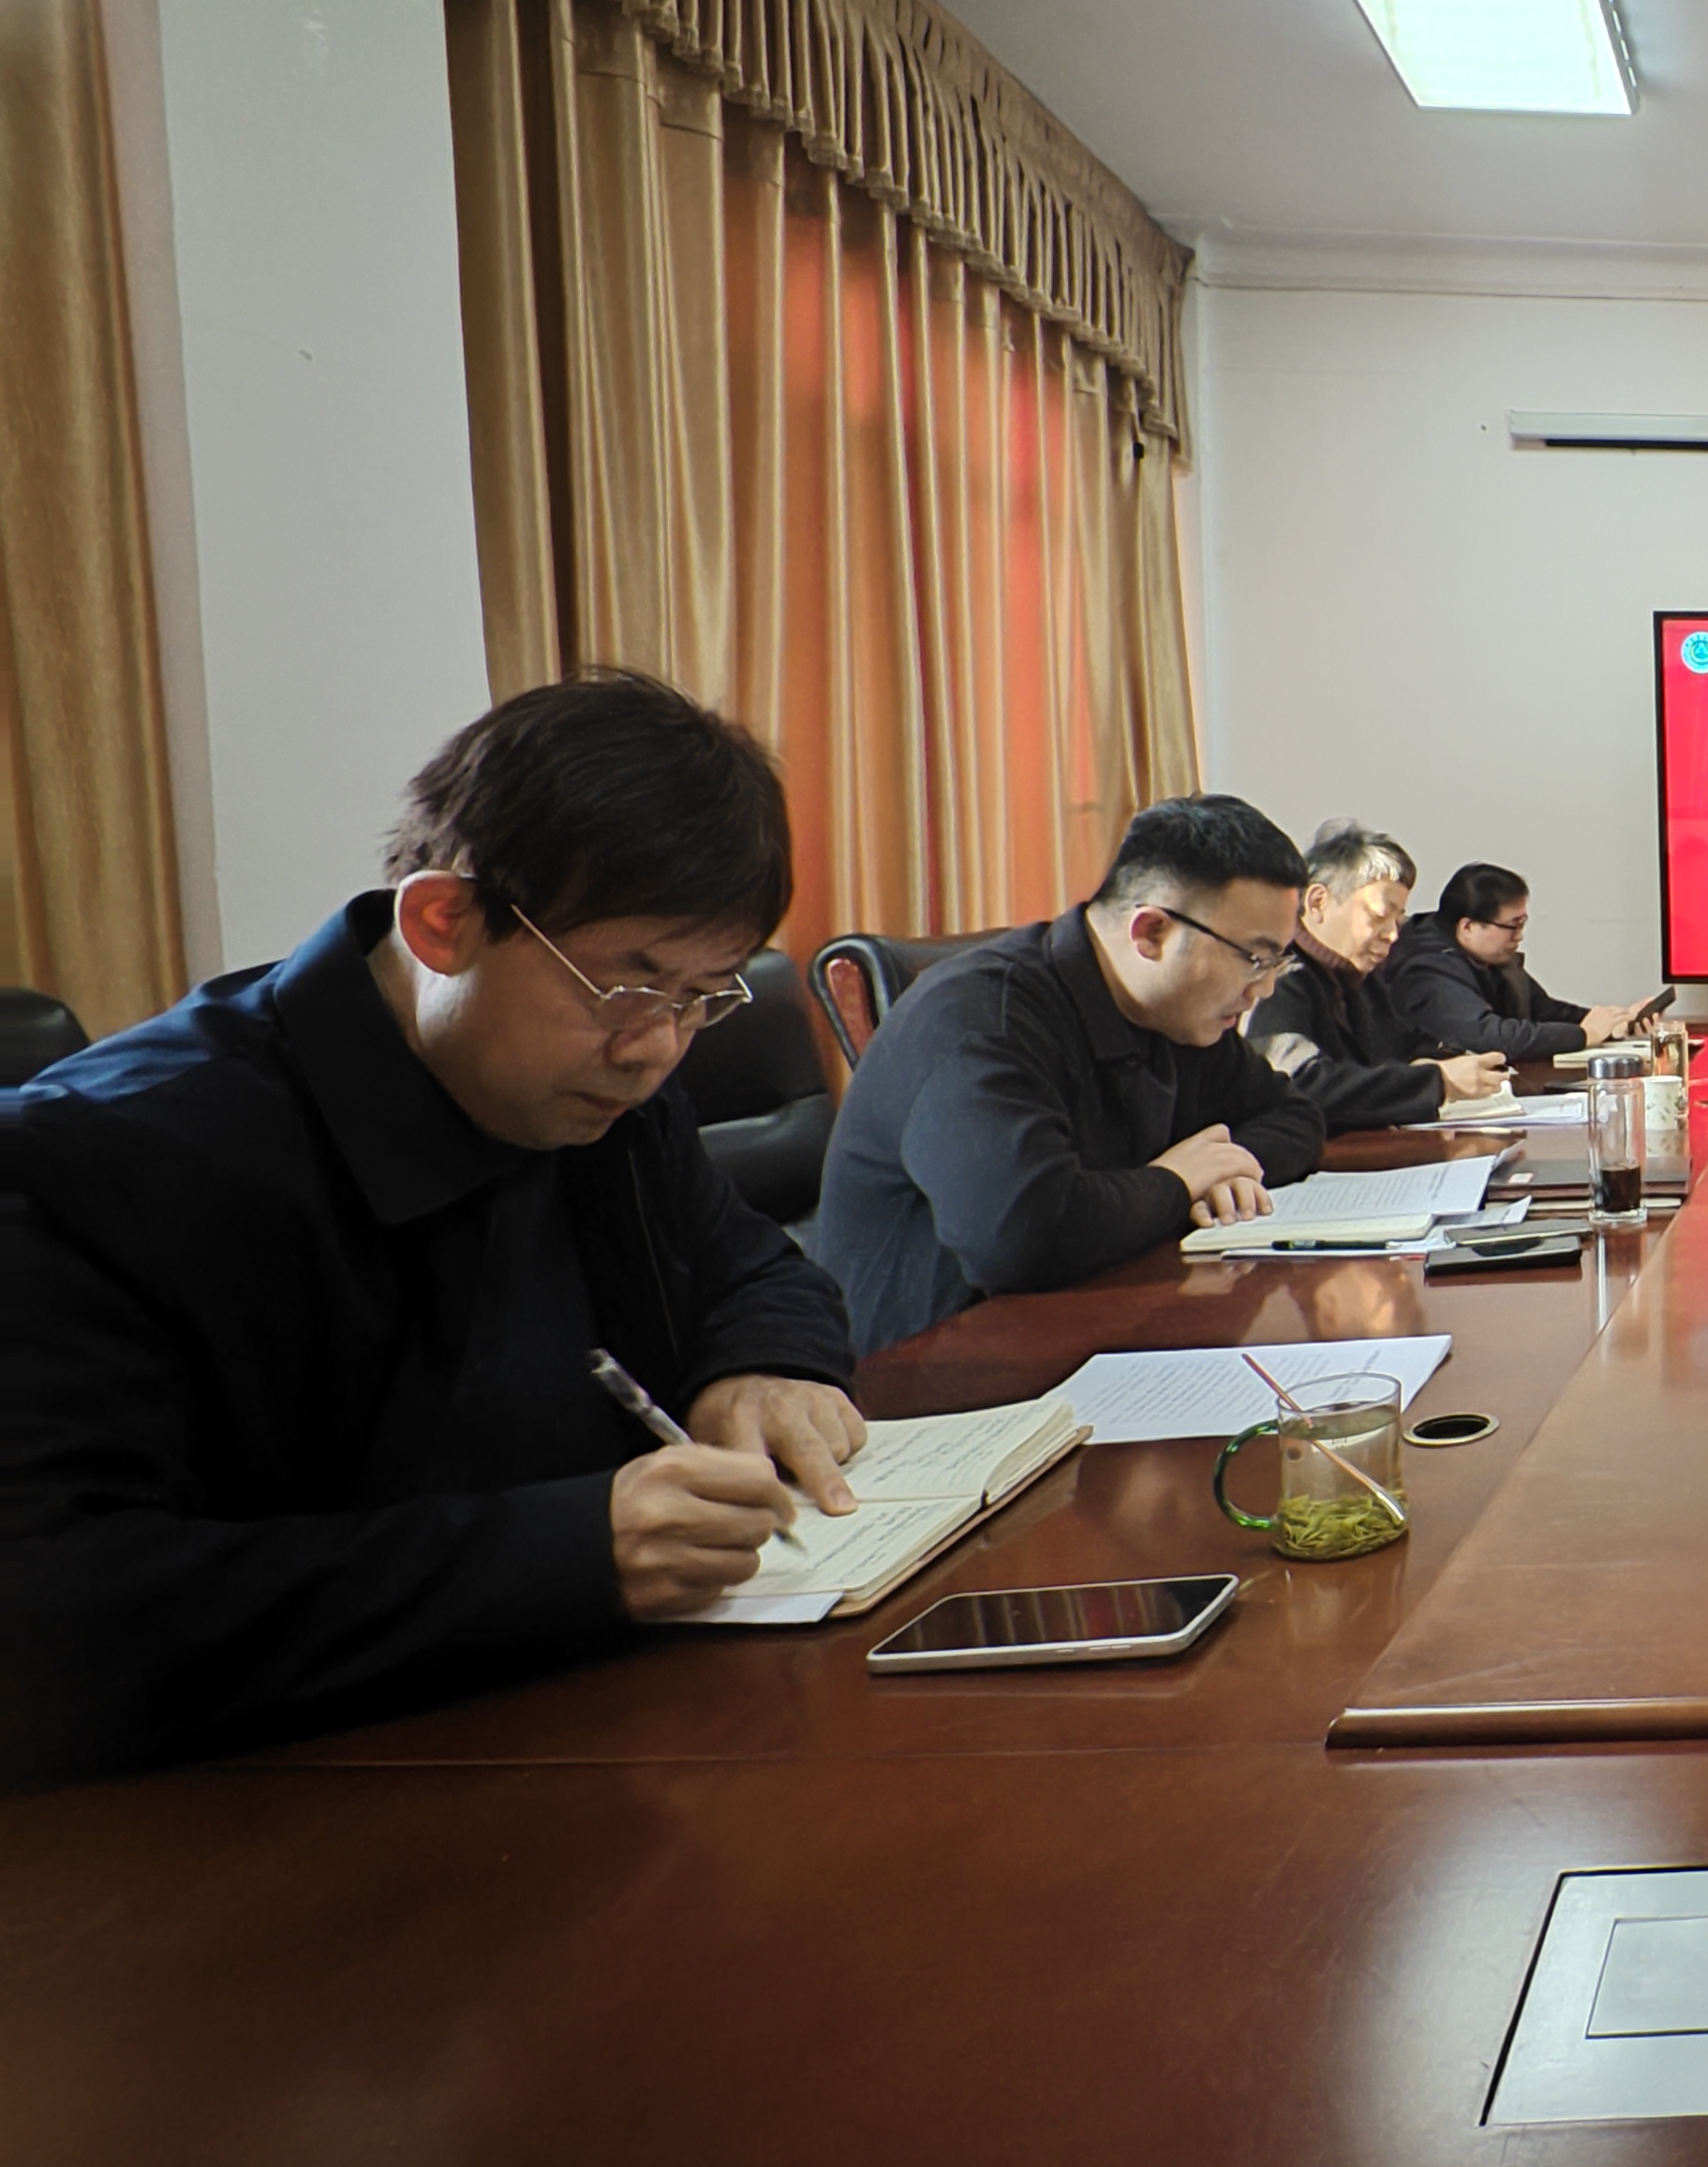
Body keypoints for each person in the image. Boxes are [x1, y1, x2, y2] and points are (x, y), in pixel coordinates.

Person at [0, 672, 866, 1777]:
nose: (655, 1047)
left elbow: (749, 1265)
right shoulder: (110, 1159)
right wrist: (567, 1554)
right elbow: (52, 1614)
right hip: (263, 1807)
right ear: (442, 922)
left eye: (704, 995)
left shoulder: (598, 1095)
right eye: (628, 984)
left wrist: (765, 1365)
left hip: (599, 1736)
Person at [817, 795, 1333, 1356]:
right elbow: (1020, 1237)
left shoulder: (1178, 1014)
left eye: (1278, 962)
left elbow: (1294, 1116)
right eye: (1254, 959)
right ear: (1151, 932)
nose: (1265, 989)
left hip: (1092, 1327)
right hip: (933, 1368)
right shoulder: (981, 1017)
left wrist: (1226, 1169)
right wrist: (1177, 1183)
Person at [1258, 824, 1505, 1130]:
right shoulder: (1277, 981)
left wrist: (1448, 1060)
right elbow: (1301, 1083)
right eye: (1379, 916)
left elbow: (1406, 1044)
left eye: (1399, 920)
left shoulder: (1360, 978)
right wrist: (1436, 1081)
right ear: (1317, 902)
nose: (1392, 935)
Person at [1385, 861, 1656, 1065]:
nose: (1520, 936)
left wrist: (1613, 1023)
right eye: (1512, 926)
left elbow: (1541, 1009)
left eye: (1523, 924)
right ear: (1468, 926)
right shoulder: (1426, 968)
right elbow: (1490, 1036)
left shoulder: (1489, 955)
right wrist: (1584, 1034)